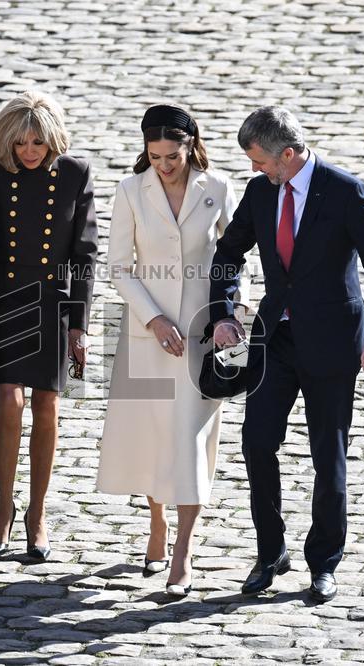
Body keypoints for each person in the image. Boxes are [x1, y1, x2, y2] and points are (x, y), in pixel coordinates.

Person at [209, 106, 364, 602]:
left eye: (259, 160)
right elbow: (228, 253)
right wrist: (223, 313)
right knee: (256, 443)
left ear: (288, 154)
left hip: (333, 342)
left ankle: (324, 562)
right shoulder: (261, 192)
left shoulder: (345, 192)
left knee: (327, 456)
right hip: (275, 339)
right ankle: (270, 551)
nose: (254, 168)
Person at [96, 104, 247, 596]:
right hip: (148, 335)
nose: (163, 165)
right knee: (153, 438)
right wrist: (154, 318)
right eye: (155, 156)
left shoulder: (217, 187)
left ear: (190, 146)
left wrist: (231, 314)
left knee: (190, 439)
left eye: (172, 156)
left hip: (203, 337)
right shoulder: (130, 190)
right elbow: (119, 267)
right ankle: (157, 522)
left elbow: (235, 257)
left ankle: (183, 550)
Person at [0, 91, 97, 561]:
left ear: (52, 139)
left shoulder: (75, 173)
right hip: (3, 297)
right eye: (20, 142)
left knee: (47, 403)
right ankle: (4, 505)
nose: (29, 151)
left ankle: (36, 513)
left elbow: (84, 254)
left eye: (37, 142)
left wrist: (79, 324)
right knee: (9, 398)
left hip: (53, 303)